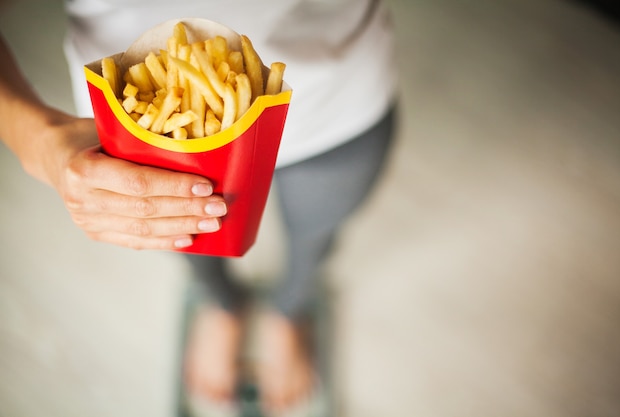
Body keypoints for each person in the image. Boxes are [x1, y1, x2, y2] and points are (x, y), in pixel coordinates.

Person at [0, 0, 398, 415]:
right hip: (146, 126)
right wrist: (37, 141)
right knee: (183, 228)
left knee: (316, 237)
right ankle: (220, 304)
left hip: (338, 101)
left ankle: (289, 311)